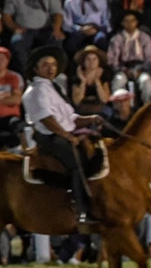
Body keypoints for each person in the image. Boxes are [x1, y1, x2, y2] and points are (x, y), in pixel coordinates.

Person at [22, 44, 104, 228]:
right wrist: (67, 136)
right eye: (45, 65)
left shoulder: (53, 88)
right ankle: (82, 211)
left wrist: (90, 119)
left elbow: (71, 117)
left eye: (53, 64)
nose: (51, 68)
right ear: (36, 68)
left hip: (62, 132)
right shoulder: (36, 90)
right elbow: (47, 119)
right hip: (50, 138)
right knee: (76, 162)